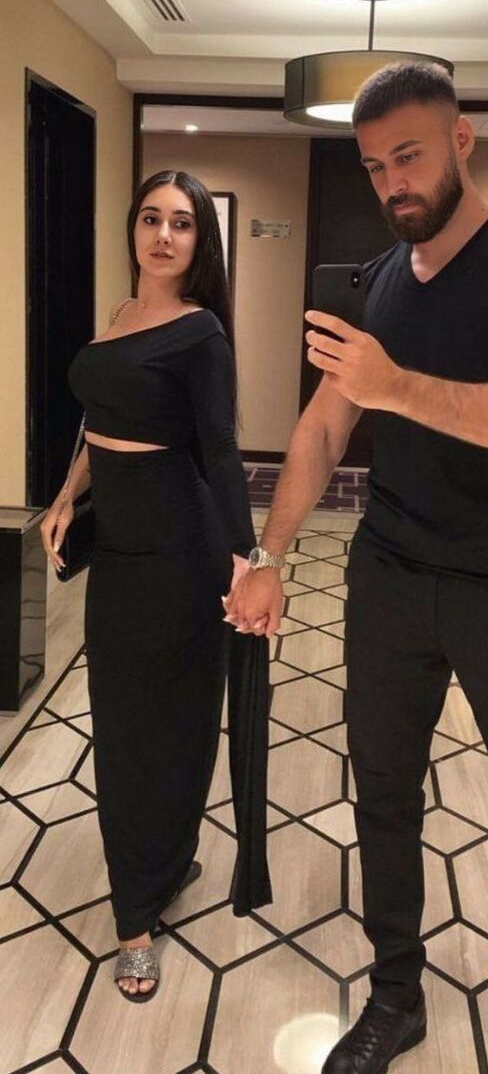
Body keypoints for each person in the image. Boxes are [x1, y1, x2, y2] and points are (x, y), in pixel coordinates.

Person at [224, 63, 488, 1073]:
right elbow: (321, 427)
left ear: (460, 141)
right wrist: (268, 553)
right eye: (374, 165)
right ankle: (397, 991)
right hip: (391, 575)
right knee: (384, 794)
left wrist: (394, 385)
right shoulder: (379, 284)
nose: (392, 181)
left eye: (409, 155)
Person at [41, 169, 271, 1001]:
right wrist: (66, 495)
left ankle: (137, 912)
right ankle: (156, 868)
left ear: (200, 240)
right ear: (133, 229)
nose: (163, 235)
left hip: (182, 551)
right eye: (151, 218)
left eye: (181, 222)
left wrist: (251, 560)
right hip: (121, 552)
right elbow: (97, 426)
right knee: (122, 723)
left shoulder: (200, 332)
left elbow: (221, 450)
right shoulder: (119, 316)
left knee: (172, 728)